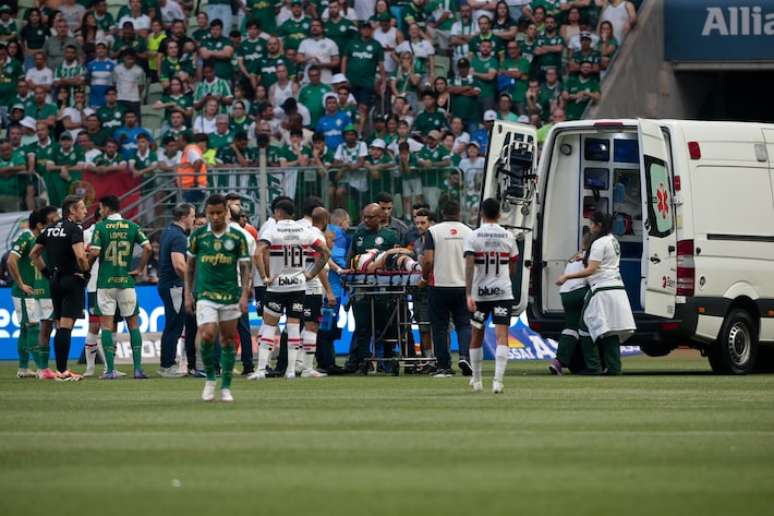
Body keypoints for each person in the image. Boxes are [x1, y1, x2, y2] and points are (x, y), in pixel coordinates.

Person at [251, 199, 331, 380]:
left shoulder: (273, 230)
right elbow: (326, 253)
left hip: (278, 285)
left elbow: (257, 253)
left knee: (270, 325)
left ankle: (261, 370)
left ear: (278, 212)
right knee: (294, 325)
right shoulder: (305, 231)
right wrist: (310, 274)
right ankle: (291, 372)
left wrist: (264, 277)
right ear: (293, 213)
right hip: (298, 285)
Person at [185, 194, 252, 402]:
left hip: (230, 294)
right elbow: (189, 267)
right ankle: (210, 379)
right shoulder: (197, 237)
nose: (215, 217)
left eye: (219, 213)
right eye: (211, 213)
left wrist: (244, 295)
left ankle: (226, 387)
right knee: (207, 334)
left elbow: (245, 268)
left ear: (226, 212)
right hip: (205, 294)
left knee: (228, 339)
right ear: (206, 213)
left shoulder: (238, 237)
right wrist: (188, 293)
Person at [555, 211, 636, 375]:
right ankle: (614, 368)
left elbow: (591, 270)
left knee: (585, 326)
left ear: (599, 225)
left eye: (592, 224)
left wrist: (566, 276)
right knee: (610, 330)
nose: (590, 227)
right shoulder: (613, 240)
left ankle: (593, 367)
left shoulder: (599, 243)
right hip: (617, 288)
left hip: (602, 289)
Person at [88, 195, 152, 379]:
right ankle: (138, 369)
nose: (100, 211)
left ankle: (110, 370)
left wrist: (85, 267)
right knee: (133, 325)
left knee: (106, 326)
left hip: (106, 283)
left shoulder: (100, 227)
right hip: (126, 281)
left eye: (101, 207)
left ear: (106, 208)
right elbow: (148, 248)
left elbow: (94, 252)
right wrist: (139, 268)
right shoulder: (132, 226)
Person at [30, 195, 90, 381]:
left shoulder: (50, 229)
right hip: (72, 279)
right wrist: (86, 272)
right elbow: (80, 256)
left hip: (55, 281)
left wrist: (47, 273)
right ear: (72, 210)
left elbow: (34, 253)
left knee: (60, 326)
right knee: (65, 327)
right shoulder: (74, 229)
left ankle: (61, 369)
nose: (85, 211)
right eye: (82, 208)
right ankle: (63, 371)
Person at [464, 198, 518, 394]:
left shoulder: (473, 236)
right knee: (502, 335)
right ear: (499, 215)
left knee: (476, 333)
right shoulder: (508, 236)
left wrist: (469, 293)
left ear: (481, 214)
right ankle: (498, 381)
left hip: (480, 294)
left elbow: (469, 265)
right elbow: (513, 266)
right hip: (502, 292)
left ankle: (477, 380)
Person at [345, 203, 401, 373]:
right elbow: (351, 258)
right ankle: (363, 362)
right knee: (363, 327)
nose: (366, 220)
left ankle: (389, 361)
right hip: (362, 289)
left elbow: (397, 259)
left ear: (380, 217)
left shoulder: (391, 236)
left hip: (384, 290)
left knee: (387, 326)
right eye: (364, 217)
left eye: (370, 217)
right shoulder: (359, 235)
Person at [422, 200, 473, 377]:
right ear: (459, 213)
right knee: (464, 324)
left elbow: (428, 260)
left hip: (439, 285)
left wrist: (424, 277)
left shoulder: (433, 232)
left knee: (440, 327)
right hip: (463, 285)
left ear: (442, 213)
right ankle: (465, 356)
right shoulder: (469, 232)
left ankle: (444, 365)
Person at [8, 209, 50, 378]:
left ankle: (24, 368)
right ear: (39, 225)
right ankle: (41, 368)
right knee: (32, 327)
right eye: (47, 224)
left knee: (25, 329)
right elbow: (11, 260)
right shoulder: (26, 237)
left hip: (31, 290)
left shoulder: (36, 239)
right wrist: (21, 284)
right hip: (24, 291)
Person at [297, 205, 336, 377]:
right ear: (325, 220)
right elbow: (319, 265)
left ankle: (300, 364)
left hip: (304, 287)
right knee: (311, 325)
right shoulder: (316, 236)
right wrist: (329, 291)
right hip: (311, 288)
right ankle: (306, 368)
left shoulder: (306, 233)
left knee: (305, 325)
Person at [157, 203, 196, 378]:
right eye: (192, 216)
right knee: (175, 325)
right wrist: (192, 281)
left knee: (172, 324)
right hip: (175, 286)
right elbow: (179, 264)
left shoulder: (167, 232)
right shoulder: (179, 237)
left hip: (167, 284)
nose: (194, 219)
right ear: (184, 217)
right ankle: (168, 365)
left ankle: (167, 363)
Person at [549, 232, 592, 375]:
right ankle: (593, 363)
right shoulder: (592, 257)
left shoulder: (575, 257)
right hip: (580, 291)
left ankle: (558, 362)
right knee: (589, 329)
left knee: (571, 328)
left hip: (566, 293)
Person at [225, 193, 257, 376]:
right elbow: (251, 265)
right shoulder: (249, 236)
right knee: (243, 327)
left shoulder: (221, 234)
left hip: (223, 285)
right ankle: (248, 365)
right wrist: (249, 285)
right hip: (241, 285)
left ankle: (218, 364)